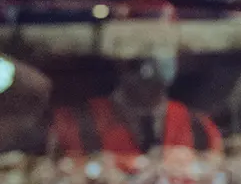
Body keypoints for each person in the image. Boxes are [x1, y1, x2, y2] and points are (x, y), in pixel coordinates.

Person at [49, 50, 222, 158]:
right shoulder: (73, 123)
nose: (150, 57)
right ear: (119, 60)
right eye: (141, 46)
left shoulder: (201, 129)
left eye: (162, 44)